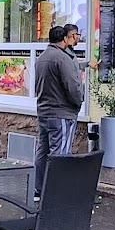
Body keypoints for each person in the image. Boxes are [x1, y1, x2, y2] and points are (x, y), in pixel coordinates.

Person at [33, 24, 87, 197]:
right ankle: (55, 194)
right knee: (60, 154)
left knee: (43, 151)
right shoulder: (62, 59)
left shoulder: (41, 58)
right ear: (64, 39)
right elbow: (72, 87)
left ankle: (39, 189)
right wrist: (79, 102)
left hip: (44, 112)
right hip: (61, 114)